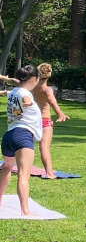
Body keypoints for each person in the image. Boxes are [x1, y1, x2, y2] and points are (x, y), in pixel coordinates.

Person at [0, 65, 44, 217]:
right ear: (33, 79)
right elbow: (26, 99)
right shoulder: (25, 93)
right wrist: (29, 103)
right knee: (23, 174)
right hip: (23, 135)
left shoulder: (13, 92)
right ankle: (25, 211)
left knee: (7, 168)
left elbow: (8, 90)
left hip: (8, 136)